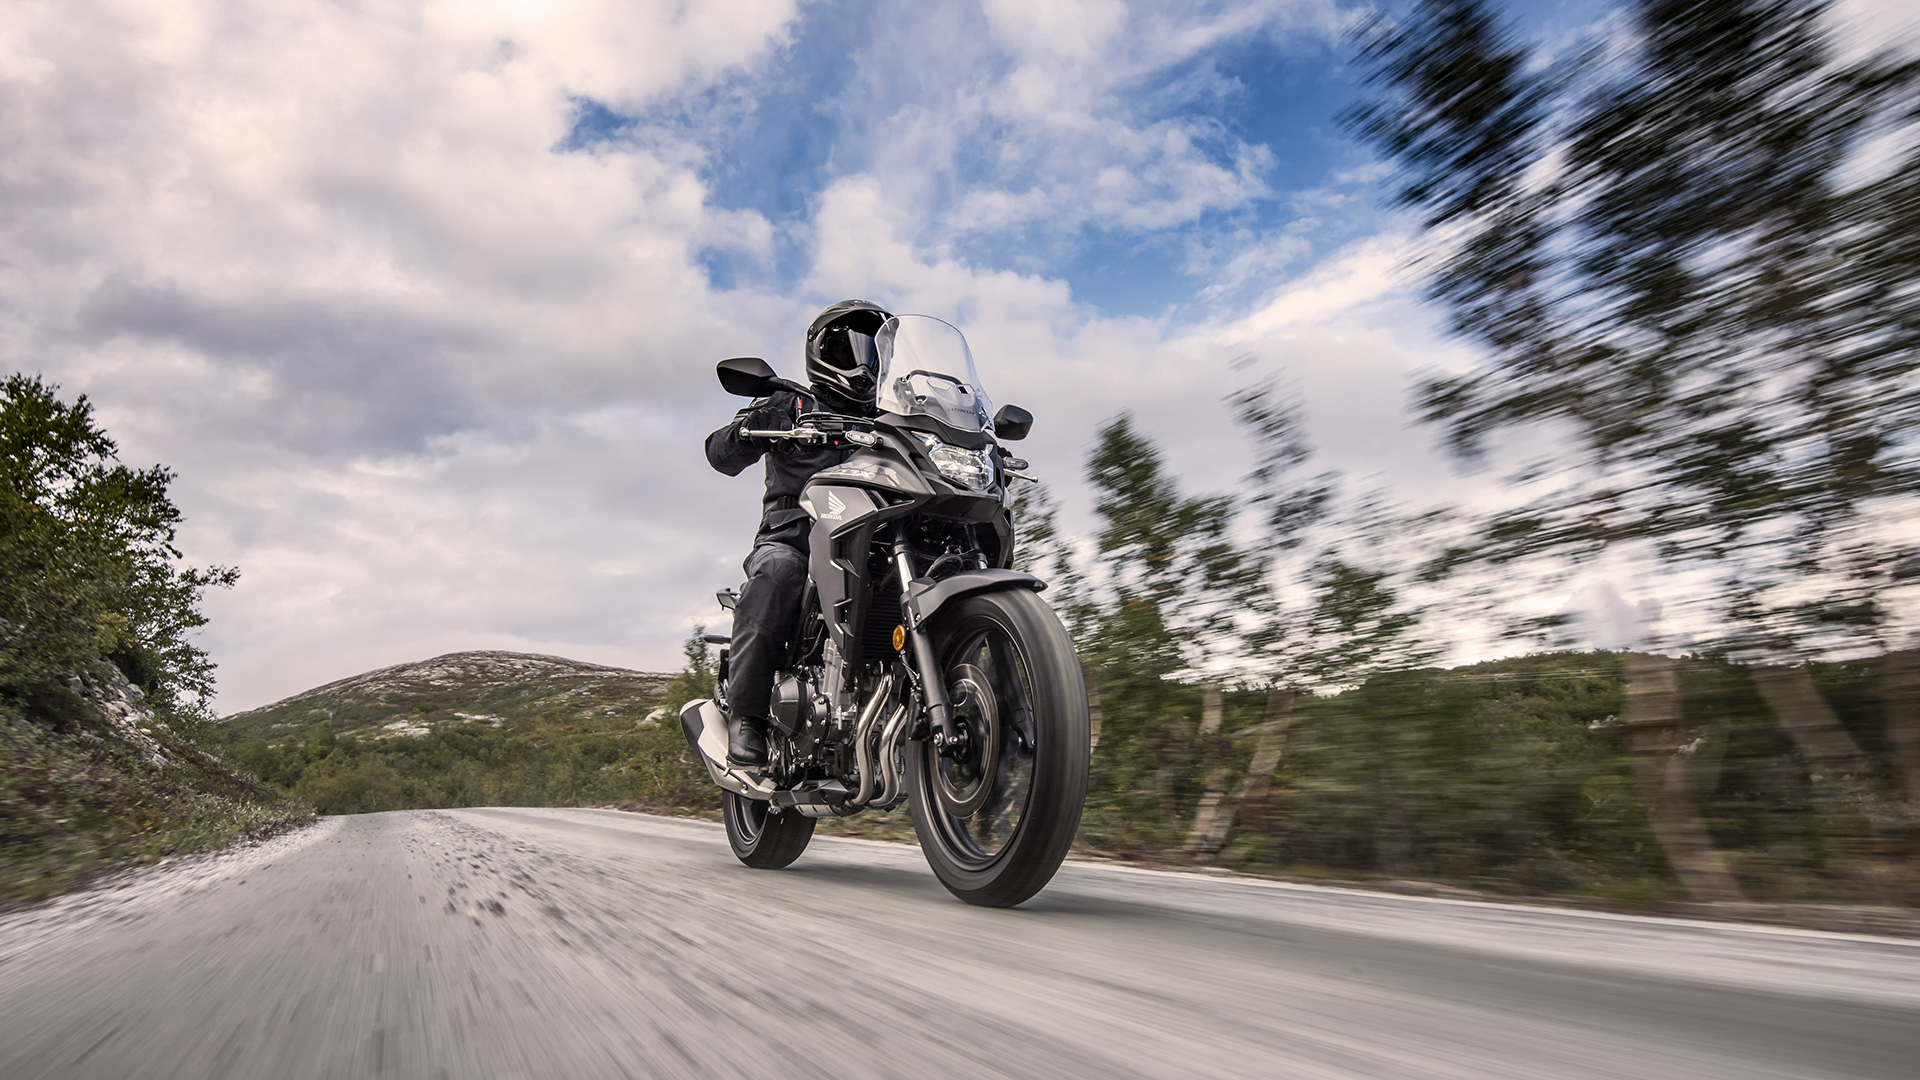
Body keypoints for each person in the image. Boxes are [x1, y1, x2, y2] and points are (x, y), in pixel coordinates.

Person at [704, 299, 893, 766]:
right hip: (796, 537)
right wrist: (751, 427)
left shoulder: (893, 422)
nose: (864, 361)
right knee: (779, 572)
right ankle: (746, 715)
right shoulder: (791, 403)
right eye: (852, 349)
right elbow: (718, 452)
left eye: (874, 352)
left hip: (875, 542)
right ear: (823, 353)